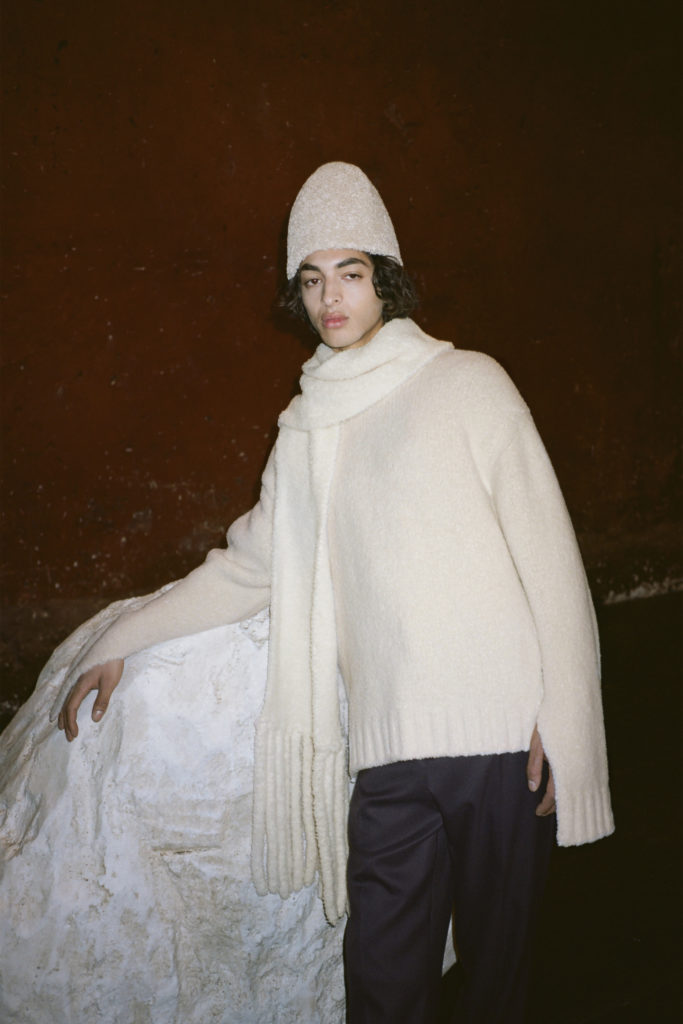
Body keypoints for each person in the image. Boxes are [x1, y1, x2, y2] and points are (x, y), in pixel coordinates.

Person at [54, 162, 614, 1023]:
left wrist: (565, 717)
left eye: (349, 273)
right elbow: (245, 568)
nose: (330, 299)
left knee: (496, 989)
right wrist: (120, 638)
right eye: (311, 280)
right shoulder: (306, 428)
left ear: (384, 277)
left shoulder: (469, 383)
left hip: (502, 745)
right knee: (381, 986)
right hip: (386, 762)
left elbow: (552, 564)